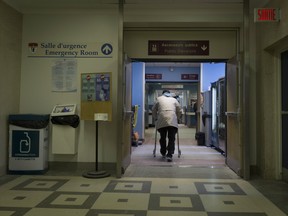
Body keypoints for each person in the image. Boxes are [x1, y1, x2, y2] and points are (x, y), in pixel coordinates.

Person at [152, 90, 182, 162]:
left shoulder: (158, 99)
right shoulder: (174, 100)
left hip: (162, 120)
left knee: (163, 137)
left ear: (162, 94)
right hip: (172, 120)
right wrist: (177, 118)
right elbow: (179, 111)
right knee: (172, 138)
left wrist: (156, 118)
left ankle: (163, 152)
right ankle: (170, 155)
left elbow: (153, 109)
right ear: (169, 94)